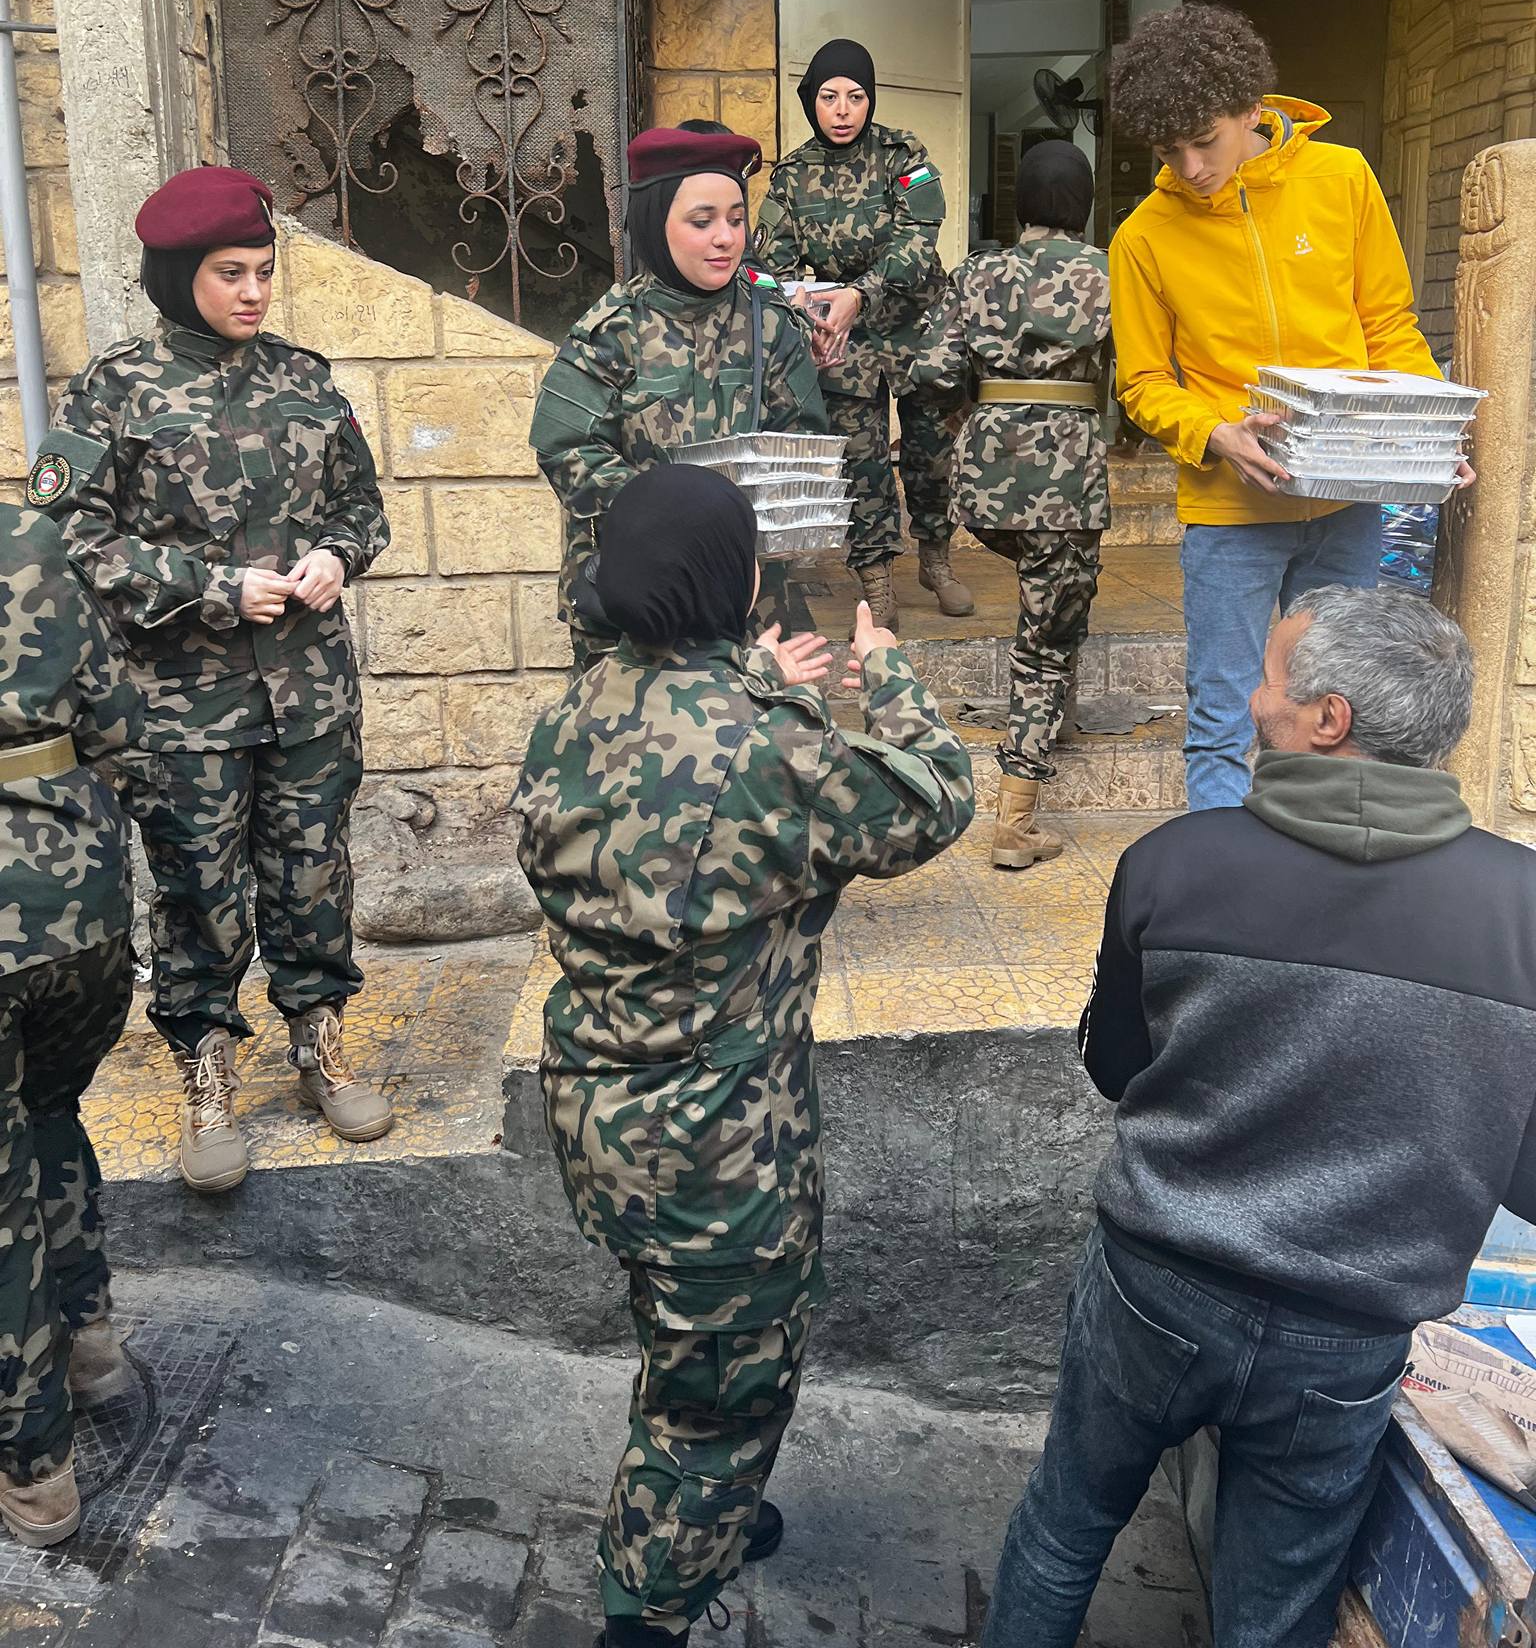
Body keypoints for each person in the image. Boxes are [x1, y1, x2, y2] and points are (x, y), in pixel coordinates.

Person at [983, 585, 1536, 1648]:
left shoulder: (1177, 863)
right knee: (1273, 1607)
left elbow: (1115, 1067)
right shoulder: (1521, 909)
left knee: (1066, 1525)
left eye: (1274, 678)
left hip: (1155, 1290)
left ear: (1330, 718)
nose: (1251, 697)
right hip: (1346, 1338)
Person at [513, 462, 975, 1647]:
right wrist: (893, 679)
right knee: (722, 1386)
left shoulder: (574, 711)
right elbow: (934, 800)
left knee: (680, 1339)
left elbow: (675, 762)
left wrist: (756, 684)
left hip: (595, 1115)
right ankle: (648, 1601)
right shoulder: (770, 750)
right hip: (721, 1145)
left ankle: (697, 1517)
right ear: (744, 579)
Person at [29, 164, 393, 1196]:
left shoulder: (306, 378)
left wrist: (335, 556)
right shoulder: (115, 389)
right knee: (195, 883)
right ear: (178, 273)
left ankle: (320, 1035)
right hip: (183, 703)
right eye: (230, 272)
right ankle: (206, 1062)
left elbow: (363, 511)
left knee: (316, 870)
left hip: (310, 690)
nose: (253, 291)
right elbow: (68, 536)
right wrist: (213, 585)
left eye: (264, 270)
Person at [1108, 2, 1462, 811]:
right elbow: (1141, 383)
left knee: (1341, 710)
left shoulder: (1342, 179)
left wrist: (1428, 435)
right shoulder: (1143, 237)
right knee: (1223, 712)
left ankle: (1322, 871)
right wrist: (1214, 433)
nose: (1191, 166)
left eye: (1207, 140)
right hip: (1230, 515)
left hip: (1346, 501)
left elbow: (1388, 327)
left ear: (1249, 109)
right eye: (1170, 151)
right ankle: (1224, 894)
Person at [530, 124, 827, 671]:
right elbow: (564, 444)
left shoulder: (771, 325)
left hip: (747, 600)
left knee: (752, 747)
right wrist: (675, 526)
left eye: (737, 220)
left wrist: (759, 526)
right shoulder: (613, 330)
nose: (726, 238)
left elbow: (803, 442)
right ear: (655, 221)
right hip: (638, 603)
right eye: (702, 221)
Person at [0, 506, 140, 1547]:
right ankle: (93, 1349)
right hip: (75, 903)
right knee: (48, 1111)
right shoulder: (27, 534)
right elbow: (117, 717)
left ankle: (36, 1469)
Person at [911, 140, 1110, 869]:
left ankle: (1054, 716)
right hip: (1065, 484)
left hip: (986, 482)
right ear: (1084, 206)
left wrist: (973, 416)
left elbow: (932, 369)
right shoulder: (1105, 273)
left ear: (1017, 204)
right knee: (1045, 639)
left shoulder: (977, 272)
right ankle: (1017, 820)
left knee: (1059, 601)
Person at [753, 37, 972, 630]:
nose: (844, 109)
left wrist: (860, 292)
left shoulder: (905, 155)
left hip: (917, 328)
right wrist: (807, 312)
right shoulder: (792, 177)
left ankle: (936, 558)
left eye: (856, 96)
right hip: (841, 342)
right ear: (811, 102)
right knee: (861, 462)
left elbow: (919, 240)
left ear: (870, 101)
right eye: (829, 97)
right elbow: (762, 267)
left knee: (932, 454)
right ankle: (876, 580)